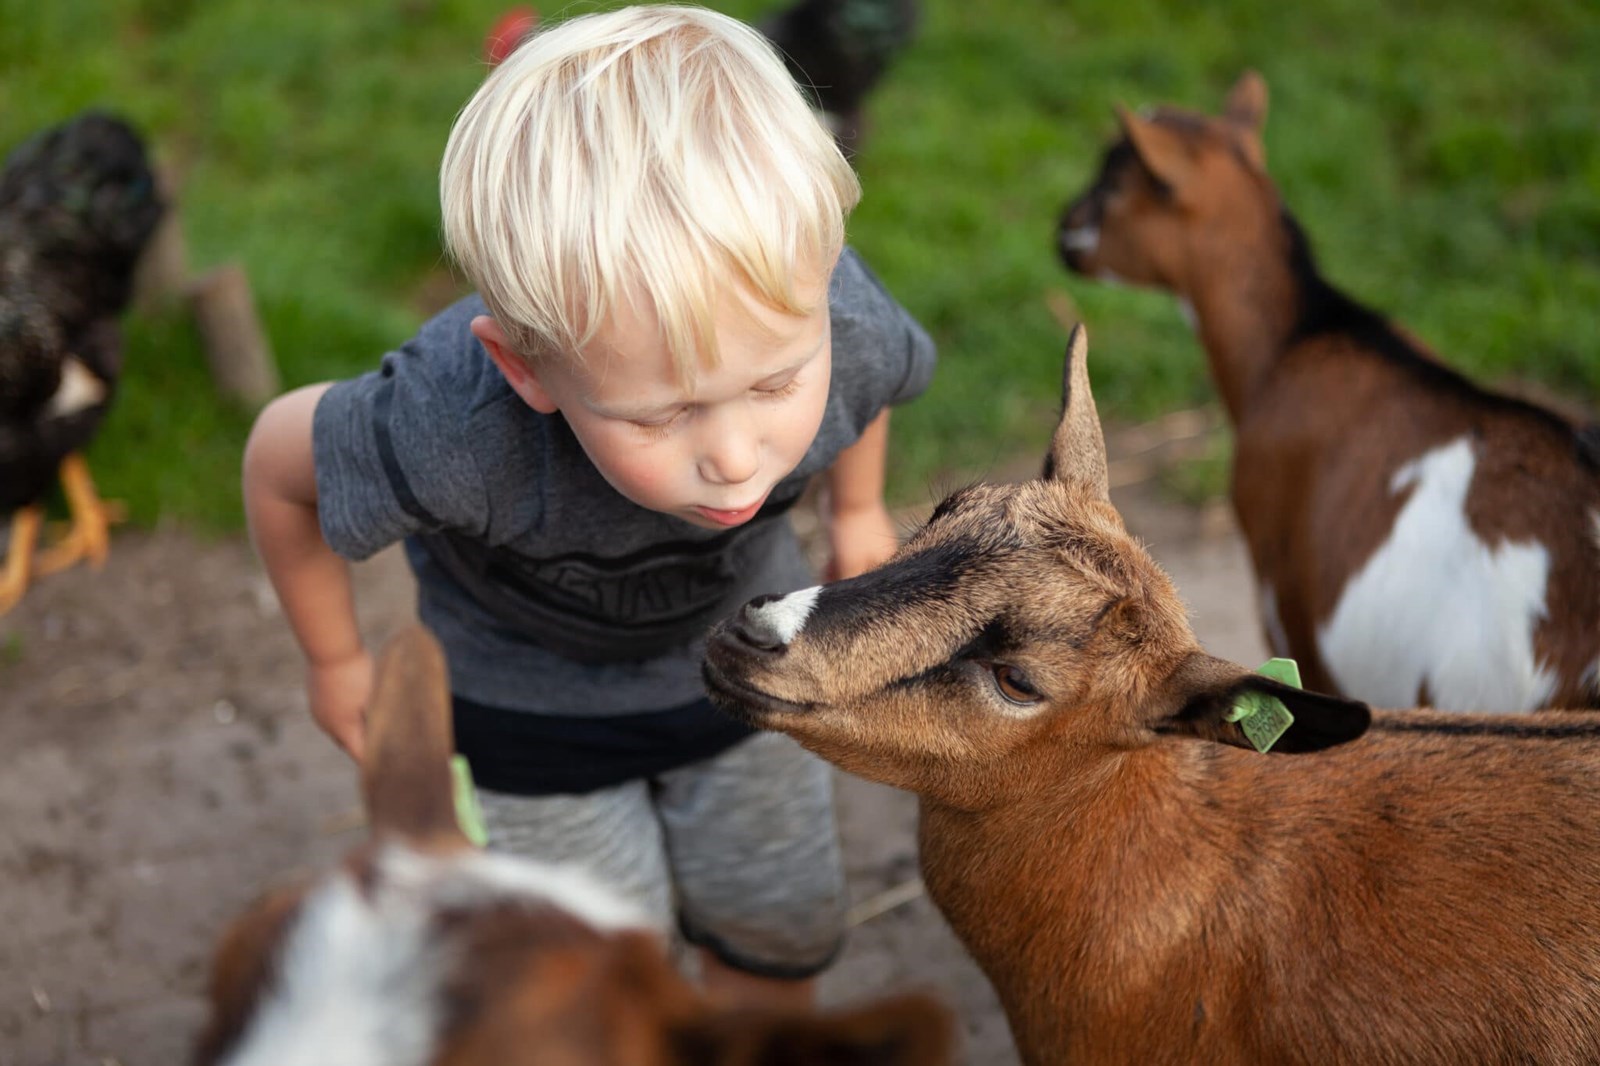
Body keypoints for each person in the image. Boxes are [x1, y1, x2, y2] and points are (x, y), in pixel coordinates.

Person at [242, 4, 935, 1010]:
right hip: (534, 728)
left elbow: (865, 386)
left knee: (777, 926)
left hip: (753, 670)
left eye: (777, 384)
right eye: (662, 418)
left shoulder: (831, 320)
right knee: (603, 985)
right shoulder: (453, 424)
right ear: (523, 368)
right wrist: (334, 657)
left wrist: (858, 511)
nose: (736, 460)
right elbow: (277, 466)